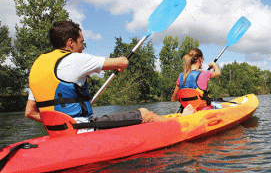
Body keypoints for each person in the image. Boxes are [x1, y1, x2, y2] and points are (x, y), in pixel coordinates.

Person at [25, 21, 193, 131]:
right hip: (83, 130)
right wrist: (120, 64)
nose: (83, 47)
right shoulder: (75, 59)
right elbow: (122, 62)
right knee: (144, 113)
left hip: (59, 133)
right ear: (70, 42)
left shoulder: (38, 67)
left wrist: (61, 124)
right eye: (81, 42)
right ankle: (181, 124)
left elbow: (30, 112)